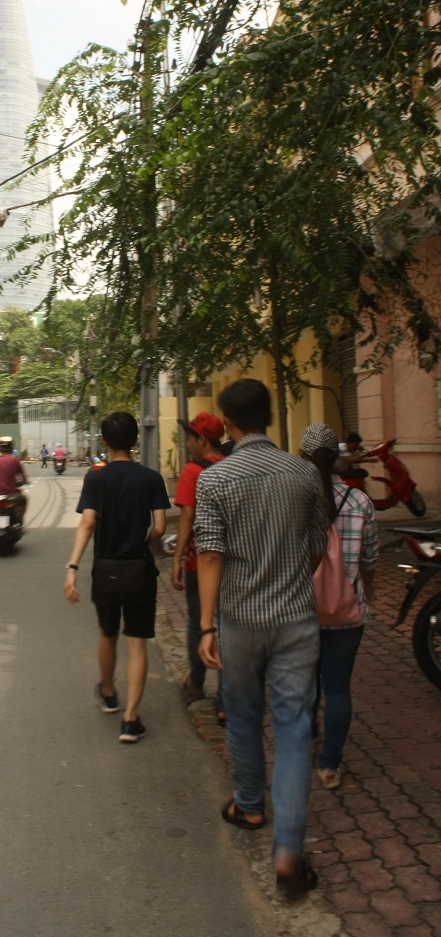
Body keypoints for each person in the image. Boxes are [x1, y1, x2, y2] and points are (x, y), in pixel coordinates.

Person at [194, 380, 327, 901]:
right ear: (269, 418)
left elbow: (210, 553)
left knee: (244, 715)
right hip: (296, 620)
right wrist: (290, 580)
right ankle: (289, 852)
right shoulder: (303, 473)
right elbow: (316, 546)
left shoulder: (215, 478)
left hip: (239, 620)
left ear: (227, 424)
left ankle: (249, 806)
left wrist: (207, 625)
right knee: (294, 728)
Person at [64, 411, 169, 743]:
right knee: (137, 642)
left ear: (105, 441)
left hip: (105, 570)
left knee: (108, 633)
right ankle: (130, 719)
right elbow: (160, 527)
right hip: (139, 570)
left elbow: (87, 523)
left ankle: (109, 693)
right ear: (135, 440)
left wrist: (72, 567)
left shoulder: (95, 479)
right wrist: (144, 543)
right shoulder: (151, 478)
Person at [299, 423, 378, 790]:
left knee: (306, 685)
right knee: (339, 688)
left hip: (302, 609)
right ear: (338, 457)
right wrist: (367, 594)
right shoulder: (360, 501)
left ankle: (308, 739)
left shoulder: (296, 502)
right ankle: (330, 764)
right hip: (348, 611)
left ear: (302, 456)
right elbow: (369, 560)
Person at [171, 412, 226, 720]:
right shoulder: (232, 465)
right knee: (227, 624)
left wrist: (177, 557)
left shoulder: (193, 470)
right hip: (231, 559)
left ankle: (197, 682)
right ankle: (226, 700)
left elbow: (187, 516)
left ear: (202, 439)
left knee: (198, 621)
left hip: (199, 560)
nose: (188, 443)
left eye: (190, 437)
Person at [0, 436, 29, 525]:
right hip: (12, 494)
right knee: (24, 500)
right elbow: (23, 476)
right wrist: (25, 481)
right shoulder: (15, 460)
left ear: (0, 448)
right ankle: (20, 522)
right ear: (11, 448)